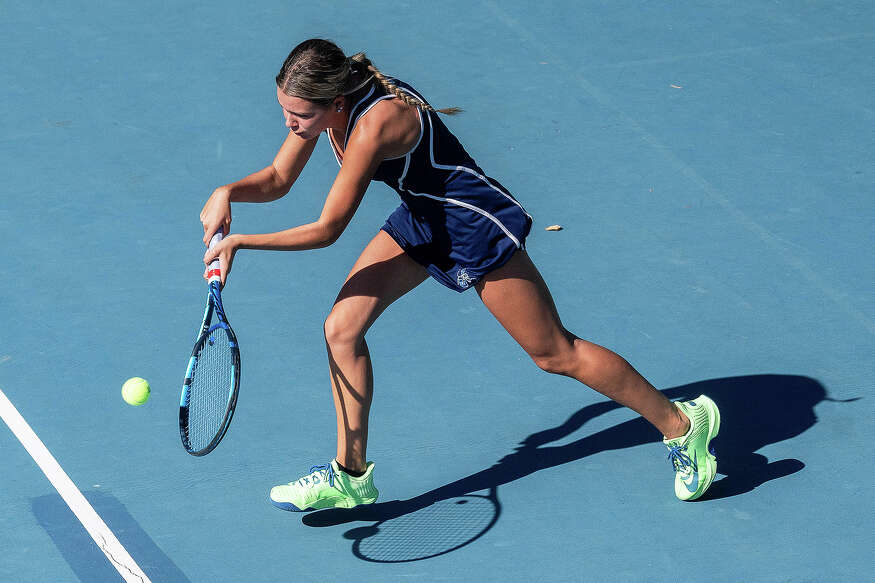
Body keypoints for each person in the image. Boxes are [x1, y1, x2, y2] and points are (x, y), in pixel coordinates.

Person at [199, 38, 720, 510]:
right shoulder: (327, 107)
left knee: (554, 353)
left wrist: (242, 240)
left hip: (471, 223)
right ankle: (351, 476)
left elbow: (329, 227)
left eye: (298, 117)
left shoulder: (375, 122)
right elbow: (277, 178)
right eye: (286, 114)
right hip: (423, 216)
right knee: (342, 328)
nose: (291, 126)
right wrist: (228, 192)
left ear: (335, 103)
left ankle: (682, 425)